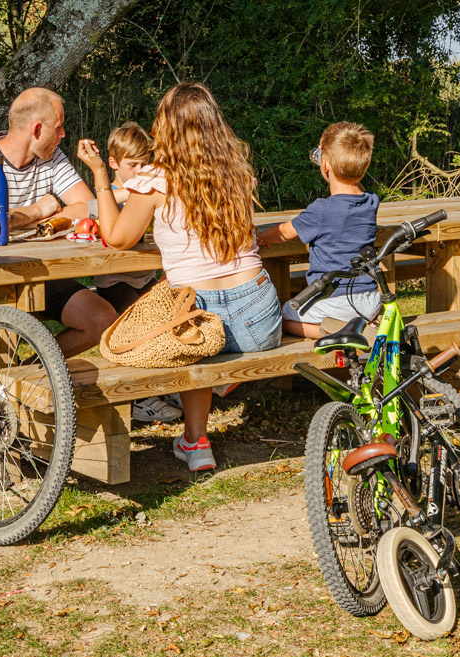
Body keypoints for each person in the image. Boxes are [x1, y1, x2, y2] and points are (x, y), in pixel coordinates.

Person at [78, 83, 282, 472]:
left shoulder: (155, 181)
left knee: (193, 336)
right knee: (203, 340)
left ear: (167, 128)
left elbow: (117, 237)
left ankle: (197, 443)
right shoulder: (238, 171)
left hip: (199, 317)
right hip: (261, 320)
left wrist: (101, 181)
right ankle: (211, 405)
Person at [0, 88, 115, 356]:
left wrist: (16, 218)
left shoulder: (52, 157)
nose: (63, 135)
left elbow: (90, 208)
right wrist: (38, 211)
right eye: (59, 128)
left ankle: (39, 377)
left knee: (101, 320)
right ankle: (9, 389)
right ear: (37, 128)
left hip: (41, 273)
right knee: (6, 328)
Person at [259, 122, 380, 338]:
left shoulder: (322, 210)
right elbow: (356, 189)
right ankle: (360, 325)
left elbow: (284, 233)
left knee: (282, 317)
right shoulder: (371, 202)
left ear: (325, 166)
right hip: (370, 299)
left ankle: (334, 332)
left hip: (335, 300)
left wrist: (260, 238)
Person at [93, 123, 176, 426]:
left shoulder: (148, 188)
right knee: (138, 330)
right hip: (115, 281)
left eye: (145, 163)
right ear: (114, 163)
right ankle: (139, 398)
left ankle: (165, 386)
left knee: (167, 321)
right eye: (133, 165)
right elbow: (99, 208)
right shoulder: (112, 196)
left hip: (145, 275)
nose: (140, 170)